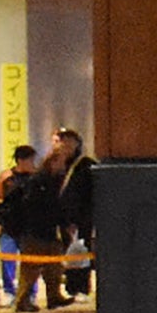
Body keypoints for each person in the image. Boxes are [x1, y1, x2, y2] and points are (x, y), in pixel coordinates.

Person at [0, 144, 67, 311]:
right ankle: (21, 300)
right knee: (29, 268)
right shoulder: (35, 180)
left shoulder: (49, 179)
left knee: (54, 266)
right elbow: (22, 205)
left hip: (47, 229)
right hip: (32, 230)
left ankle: (53, 296)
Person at [51, 127, 95, 297]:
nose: (65, 146)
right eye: (62, 142)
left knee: (81, 252)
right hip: (63, 219)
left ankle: (82, 287)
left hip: (82, 219)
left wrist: (82, 217)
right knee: (67, 252)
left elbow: (89, 195)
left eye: (69, 142)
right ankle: (70, 287)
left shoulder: (86, 165)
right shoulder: (57, 165)